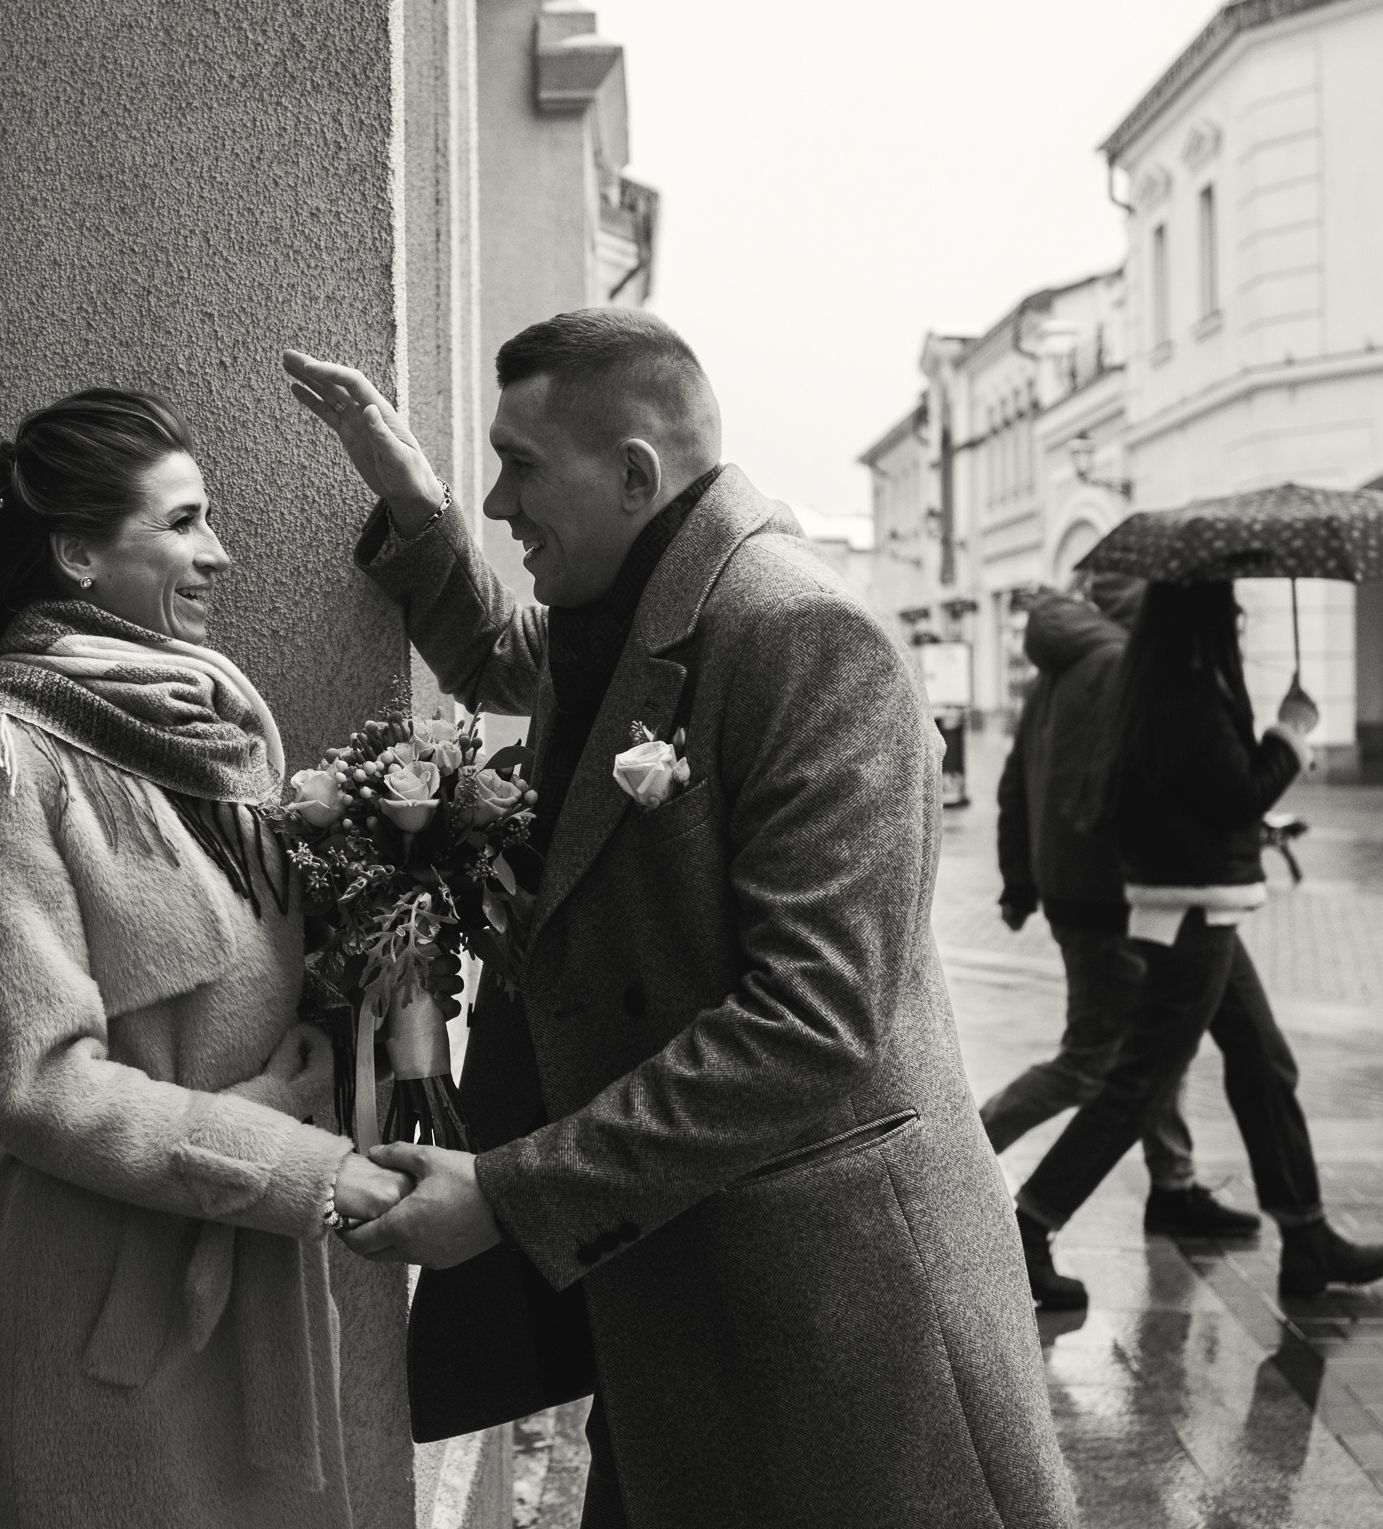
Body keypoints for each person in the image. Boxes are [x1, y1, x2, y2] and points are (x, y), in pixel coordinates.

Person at [284, 310, 1077, 1529]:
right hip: (687, 1276)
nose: (501, 503)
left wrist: (510, 1192)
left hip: (836, 1312)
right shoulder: (637, 605)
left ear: (636, 476)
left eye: (522, 466)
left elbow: (814, 1023)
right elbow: (501, 650)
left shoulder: (801, 635)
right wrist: (413, 495)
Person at [0, 389, 415, 1528]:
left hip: (259, 1281)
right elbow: (38, 1086)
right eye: (183, 523)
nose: (219, 553)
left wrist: (388, 943)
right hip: (104, 1311)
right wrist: (299, 1165)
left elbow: (261, 982)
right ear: (79, 551)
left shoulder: (218, 720)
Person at [1012, 579, 1383, 1310]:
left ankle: (1306, 1236)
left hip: (1198, 905)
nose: (1242, 623)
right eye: (1233, 612)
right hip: (1192, 911)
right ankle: (1027, 1228)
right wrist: (1290, 734)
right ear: (1204, 618)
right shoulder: (1182, 689)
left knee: (1261, 1060)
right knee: (1137, 1085)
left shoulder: (1165, 682)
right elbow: (1236, 795)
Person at [987, 578, 1259, 1249]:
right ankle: (958, 1152)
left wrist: (1021, 882)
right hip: (1117, 891)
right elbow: (1146, 785)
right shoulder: (1125, 670)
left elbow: (1015, 782)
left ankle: (1173, 1181)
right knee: (1094, 1061)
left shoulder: (1058, 671)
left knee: (1155, 1042)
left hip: (1073, 886)